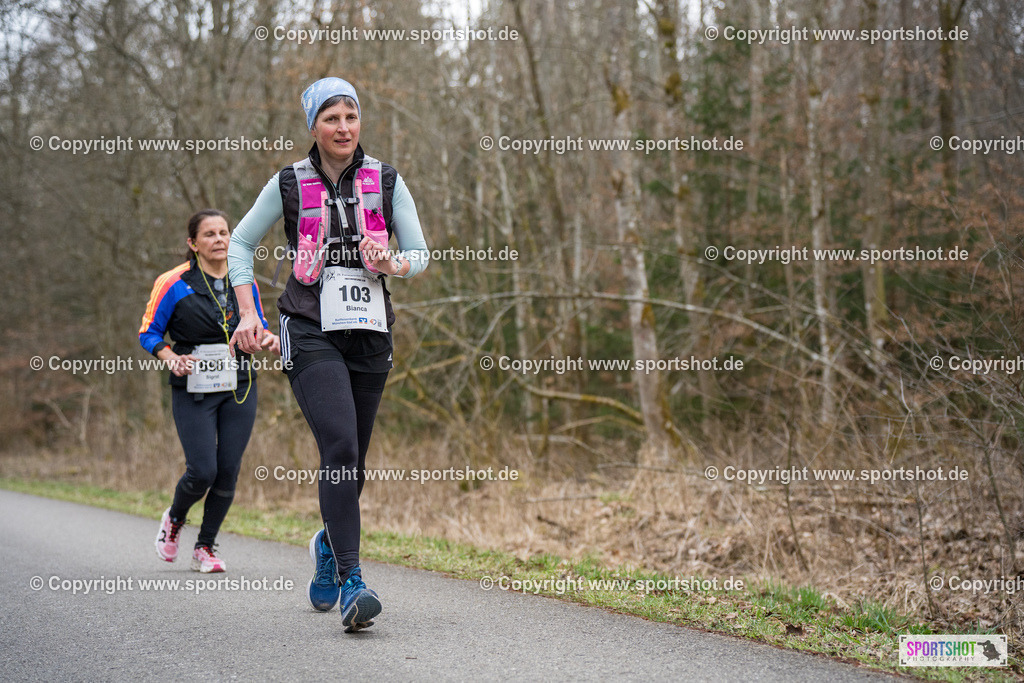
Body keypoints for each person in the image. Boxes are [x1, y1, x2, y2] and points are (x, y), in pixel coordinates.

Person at [227, 77, 429, 632]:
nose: (343, 128)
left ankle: (326, 543)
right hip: (309, 327)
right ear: (313, 125)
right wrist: (249, 312)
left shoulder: (386, 179)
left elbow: (421, 254)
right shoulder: (289, 182)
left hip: (369, 331)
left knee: (353, 463)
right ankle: (353, 581)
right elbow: (241, 243)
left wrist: (393, 264)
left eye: (351, 117)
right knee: (339, 445)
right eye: (331, 118)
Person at [139, 209, 279, 572]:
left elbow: (257, 326)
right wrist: (170, 356)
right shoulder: (173, 282)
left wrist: (268, 339)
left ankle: (205, 547)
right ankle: (175, 518)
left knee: (228, 470)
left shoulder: (242, 280)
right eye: (210, 234)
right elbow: (148, 332)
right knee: (203, 470)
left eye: (224, 232)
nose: (219, 239)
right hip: (193, 387)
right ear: (193, 243)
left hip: (239, 385)